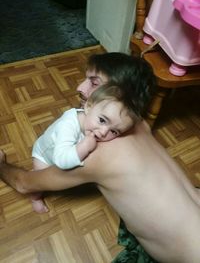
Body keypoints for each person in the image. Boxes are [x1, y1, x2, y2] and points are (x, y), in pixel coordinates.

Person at [1, 52, 200, 263]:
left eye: (94, 83)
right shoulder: (139, 121)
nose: (80, 87)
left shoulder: (97, 152)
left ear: (119, 94)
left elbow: (24, 184)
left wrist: (2, 165)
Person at [31, 83, 138, 213]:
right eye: (103, 120)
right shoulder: (68, 124)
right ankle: (35, 198)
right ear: (88, 106)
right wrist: (85, 147)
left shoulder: (93, 124)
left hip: (66, 153)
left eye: (114, 131)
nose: (104, 132)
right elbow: (61, 160)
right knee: (39, 181)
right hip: (45, 156)